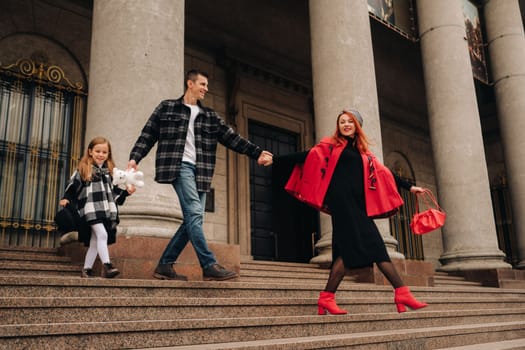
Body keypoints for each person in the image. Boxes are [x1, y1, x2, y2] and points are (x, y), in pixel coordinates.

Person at [275, 109, 428, 314]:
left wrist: (410, 187)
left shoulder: (364, 154)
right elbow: (307, 155)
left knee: (345, 252)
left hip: (357, 205)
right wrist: (275, 159)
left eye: (350, 121)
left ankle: (327, 297)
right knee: (375, 245)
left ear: (357, 125)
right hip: (342, 203)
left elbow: (385, 173)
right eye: (342, 122)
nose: (346, 124)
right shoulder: (331, 145)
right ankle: (402, 293)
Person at [128, 69, 273, 281]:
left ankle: (165, 265)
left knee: (193, 219)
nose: (206, 88)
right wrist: (135, 158)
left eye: (206, 85)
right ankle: (208, 264)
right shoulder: (167, 107)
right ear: (190, 83)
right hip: (178, 166)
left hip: (202, 172)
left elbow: (232, 138)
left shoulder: (210, 117)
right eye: (203, 84)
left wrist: (257, 152)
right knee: (195, 213)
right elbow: (148, 134)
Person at [59, 137, 135, 278]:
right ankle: (108, 266)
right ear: (90, 151)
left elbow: (114, 192)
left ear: (108, 154)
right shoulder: (84, 169)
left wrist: (126, 192)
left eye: (104, 152)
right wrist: (66, 198)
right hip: (90, 209)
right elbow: (73, 186)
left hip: (105, 209)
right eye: (98, 151)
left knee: (95, 241)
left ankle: (86, 269)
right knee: (102, 235)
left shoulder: (110, 173)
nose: (101, 154)